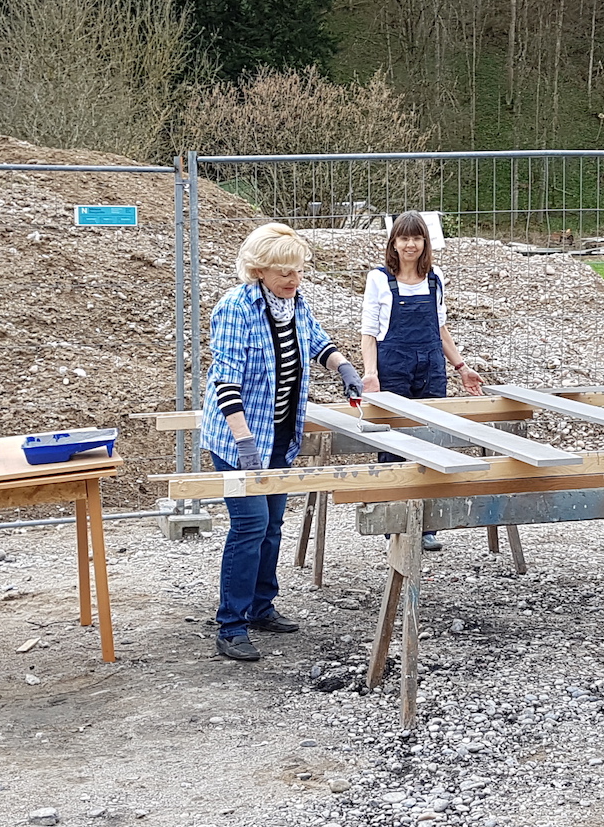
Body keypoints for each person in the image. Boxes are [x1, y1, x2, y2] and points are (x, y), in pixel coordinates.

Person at [200, 223, 364, 662]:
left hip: (280, 433)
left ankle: (260, 606)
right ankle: (230, 624)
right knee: (249, 525)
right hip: (240, 437)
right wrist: (244, 443)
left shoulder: (293, 303)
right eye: (284, 273)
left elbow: (317, 341)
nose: (294, 281)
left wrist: (344, 367)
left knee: (272, 524)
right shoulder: (236, 308)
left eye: (298, 271)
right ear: (258, 270)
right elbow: (225, 379)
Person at [360, 212, 485, 552]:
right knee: (392, 440)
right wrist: (370, 373)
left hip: (430, 365)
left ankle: (426, 523)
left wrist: (461, 367)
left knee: (430, 438)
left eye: (417, 238)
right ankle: (394, 521)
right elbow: (369, 332)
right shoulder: (379, 279)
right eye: (404, 238)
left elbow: (440, 328)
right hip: (393, 365)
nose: (410, 244)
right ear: (394, 243)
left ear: (425, 243)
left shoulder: (435, 279)